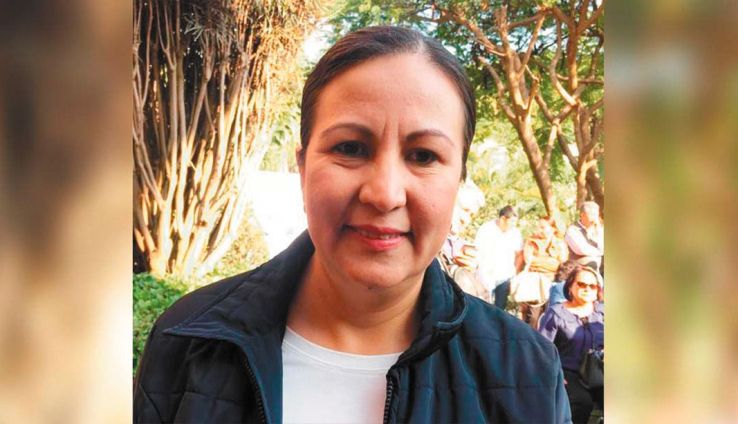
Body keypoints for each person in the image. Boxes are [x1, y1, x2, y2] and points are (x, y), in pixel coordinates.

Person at [134, 26, 570, 423]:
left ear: (458, 180)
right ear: (303, 168)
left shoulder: (527, 372)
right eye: (350, 148)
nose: (384, 194)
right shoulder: (187, 342)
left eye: (423, 156)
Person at [538, 264, 605, 424]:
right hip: (568, 372)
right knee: (582, 403)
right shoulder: (556, 313)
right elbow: (542, 349)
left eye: (592, 286)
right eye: (581, 284)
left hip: (600, 369)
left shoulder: (603, 312)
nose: (587, 289)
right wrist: (555, 374)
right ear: (570, 287)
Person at [519, 216, 569, 327]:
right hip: (534, 282)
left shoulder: (560, 243)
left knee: (550, 314)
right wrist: (550, 261)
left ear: (553, 228)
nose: (539, 230)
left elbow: (562, 263)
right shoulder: (531, 241)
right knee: (533, 316)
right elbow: (529, 260)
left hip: (553, 281)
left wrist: (539, 260)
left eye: (543, 227)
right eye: (538, 227)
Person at [474, 205, 524, 310]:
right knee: (483, 306)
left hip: (505, 277)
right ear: (502, 219)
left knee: (500, 308)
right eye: (512, 221)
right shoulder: (486, 229)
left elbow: (519, 255)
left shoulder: (515, 233)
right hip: (485, 275)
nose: (514, 225)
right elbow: (476, 250)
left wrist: (515, 273)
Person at [565, 201, 604, 273]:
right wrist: (600, 252)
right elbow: (581, 250)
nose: (595, 217)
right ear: (582, 215)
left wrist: (598, 229)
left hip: (597, 267)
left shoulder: (599, 229)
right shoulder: (572, 230)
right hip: (578, 268)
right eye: (592, 214)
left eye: (596, 214)